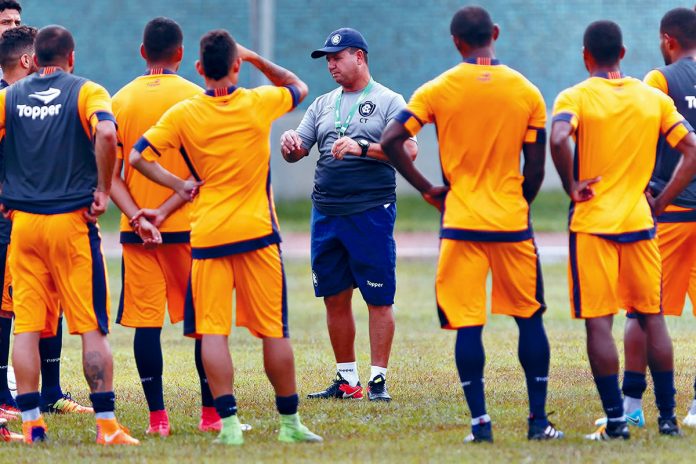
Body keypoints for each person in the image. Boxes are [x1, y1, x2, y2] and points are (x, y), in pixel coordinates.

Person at [129, 29, 321, 446]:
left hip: (209, 237)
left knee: (213, 333)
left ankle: (228, 425)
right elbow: (298, 86)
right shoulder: (257, 102)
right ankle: (289, 423)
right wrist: (255, 60)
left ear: (198, 68)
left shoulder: (183, 114)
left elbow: (136, 156)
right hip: (258, 235)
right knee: (274, 332)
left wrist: (177, 187)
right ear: (235, 66)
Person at [381, 6, 562, 443]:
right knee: (530, 318)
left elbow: (391, 140)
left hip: (460, 223)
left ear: (456, 42)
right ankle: (538, 422)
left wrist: (429, 190)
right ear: (495, 34)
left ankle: (480, 424)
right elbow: (535, 168)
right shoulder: (528, 92)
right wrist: (519, 202)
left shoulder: (437, 89)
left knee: (468, 323)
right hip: (512, 224)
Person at [549, 20, 696, 440]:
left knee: (600, 323)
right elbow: (692, 150)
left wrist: (571, 186)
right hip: (641, 221)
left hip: (593, 224)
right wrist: (662, 201)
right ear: (624, 53)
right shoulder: (651, 97)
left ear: (585, 55)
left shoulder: (574, 96)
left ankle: (617, 420)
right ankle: (668, 419)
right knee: (653, 319)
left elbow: (559, 136)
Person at [0, 25, 139, 445]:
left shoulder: (8, 97)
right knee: (90, 328)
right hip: (71, 224)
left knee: (25, 327)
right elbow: (108, 133)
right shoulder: (87, 91)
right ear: (71, 57)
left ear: (34, 59)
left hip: (23, 226)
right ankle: (107, 426)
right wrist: (102, 189)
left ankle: (31, 425)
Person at [280, 27, 417, 402]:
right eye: (327, 60)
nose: (331, 66)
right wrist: (289, 144)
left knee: (378, 298)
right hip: (326, 211)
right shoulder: (323, 104)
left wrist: (362, 147)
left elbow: (408, 150)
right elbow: (299, 151)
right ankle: (347, 380)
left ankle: (377, 380)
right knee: (334, 296)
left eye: (337, 58)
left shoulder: (390, 100)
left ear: (359, 57)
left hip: (370, 210)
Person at [110, 16, 224, 437]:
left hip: (136, 229)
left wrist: (138, 215)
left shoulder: (118, 100)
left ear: (143, 53)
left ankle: (158, 418)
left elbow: (111, 174)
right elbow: (208, 171)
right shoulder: (199, 98)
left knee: (146, 324)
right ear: (181, 54)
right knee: (202, 323)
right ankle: (210, 414)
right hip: (191, 229)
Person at [604, 6, 696, 430]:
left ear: (667, 40)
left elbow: (636, 132)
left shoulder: (658, 81)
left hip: (671, 211)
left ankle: (631, 407)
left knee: (641, 312)